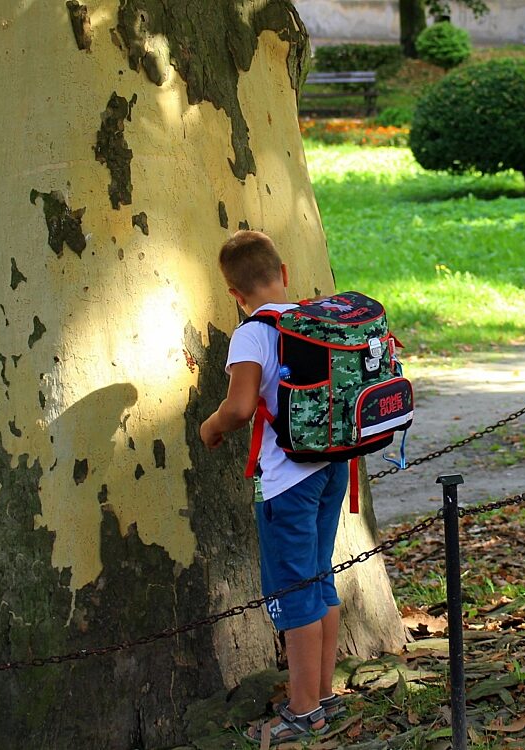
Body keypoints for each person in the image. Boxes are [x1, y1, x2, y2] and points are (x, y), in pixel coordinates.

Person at [200, 230, 349, 744]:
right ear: (284, 274)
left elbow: (241, 408)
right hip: (332, 466)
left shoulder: (251, 333)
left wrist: (212, 427)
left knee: (295, 590)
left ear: (234, 295)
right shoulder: (314, 319)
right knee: (318, 577)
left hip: (286, 480)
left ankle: (305, 709)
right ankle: (324, 693)